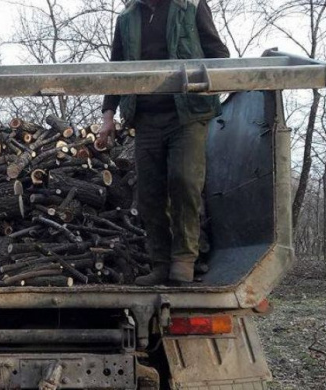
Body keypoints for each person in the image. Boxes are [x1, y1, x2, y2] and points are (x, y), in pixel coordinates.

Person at [98, 0, 229, 285]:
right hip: (145, 118)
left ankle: (184, 260)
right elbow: (115, 69)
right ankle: (160, 263)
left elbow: (218, 54)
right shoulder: (127, 18)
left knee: (184, 181)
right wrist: (108, 116)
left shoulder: (190, 7)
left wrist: (210, 86)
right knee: (149, 195)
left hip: (187, 115)